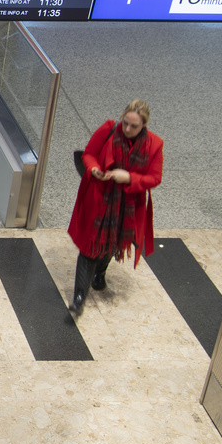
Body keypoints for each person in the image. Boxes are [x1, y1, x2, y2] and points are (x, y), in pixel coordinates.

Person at [66, 99, 163, 317]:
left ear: (144, 125)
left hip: (128, 205)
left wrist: (129, 177)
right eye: (125, 123)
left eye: (134, 126)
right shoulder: (109, 129)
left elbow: (155, 178)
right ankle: (79, 298)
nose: (127, 129)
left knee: (113, 242)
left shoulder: (155, 145)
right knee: (90, 246)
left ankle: (100, 274)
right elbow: (89, 153)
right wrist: (94, 169)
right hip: (100, 199)